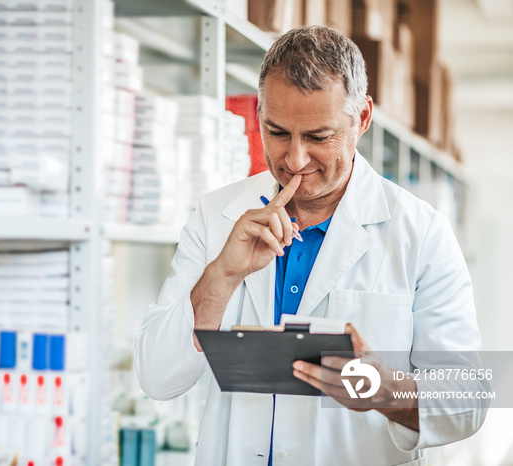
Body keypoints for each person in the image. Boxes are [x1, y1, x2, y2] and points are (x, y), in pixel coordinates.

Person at [134, 25, 486, 465]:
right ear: (260, 112)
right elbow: (156, 376)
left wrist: (385, 389)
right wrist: (222, 275)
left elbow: (469, 400)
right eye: (278, 132)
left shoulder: (420, 233)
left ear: (361, 119)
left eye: (318, 137)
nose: (294, 160)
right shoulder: (215, 215)